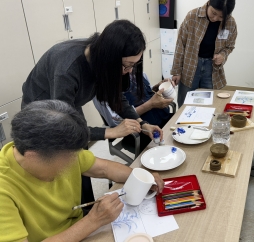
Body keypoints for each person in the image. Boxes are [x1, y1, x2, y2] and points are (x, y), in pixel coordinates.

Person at [0, 100, 164, 242]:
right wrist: (93, 221)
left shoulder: (61, 149)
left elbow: (105, 169)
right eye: (67, 159)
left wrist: (142, 178)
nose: (74, 161)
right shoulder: (4, 188)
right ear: (33, 156)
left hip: (81, 231)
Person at [21, 19, 163, 143]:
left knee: (80, 152)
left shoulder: (101, 54)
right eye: (127, 65)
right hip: (41, 112)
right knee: (64, 157)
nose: (130, 70)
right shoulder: (67, 71)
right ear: (110, 58)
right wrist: (111, 132)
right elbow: (63, 125)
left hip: (67, 105)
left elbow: (115, 96)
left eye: (134, 65)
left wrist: (143, 124)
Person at [171, 0, 237, 107]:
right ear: (208, 3)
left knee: (209, 103)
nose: (215, 18)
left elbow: (229, 46)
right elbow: (180, 44)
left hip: (211, 68)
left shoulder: (230, 23)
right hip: (190, 65)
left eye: (221, 16)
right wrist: (176, 70)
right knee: (185, 103)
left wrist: (223, 55)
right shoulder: (192, 16)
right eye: (213, 13)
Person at [93, 72, 174, 150]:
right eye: (129, 64)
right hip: (139, 132)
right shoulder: (103, 88)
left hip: (160, 118)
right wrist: (150, 105)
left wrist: (157, 89)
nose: (131, 69)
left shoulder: (137, 72)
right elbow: (116, 122)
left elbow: (145, 95)